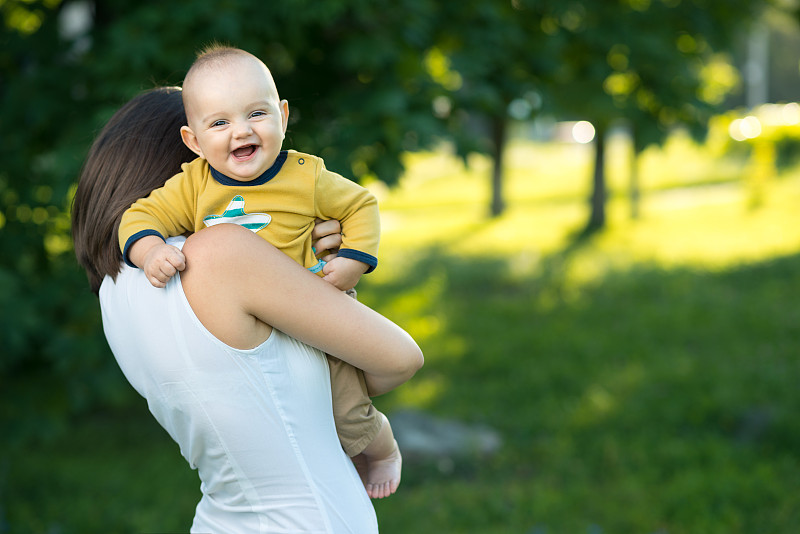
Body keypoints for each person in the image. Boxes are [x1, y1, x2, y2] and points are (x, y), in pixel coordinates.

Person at [71, 86, 423, 532]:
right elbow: (398, 359)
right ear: (189, 155)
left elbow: (265, 379)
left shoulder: (115, 289)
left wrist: (296, 257)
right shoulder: (223, 252)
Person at [117, 46, 401, 499]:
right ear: (193, 141)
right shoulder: (194, 185)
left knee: (348, 411)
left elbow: (360, 206)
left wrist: (353, 260)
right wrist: (151, 250)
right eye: (220, 123)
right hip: (252, 319)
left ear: (283, 116)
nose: (242, 131)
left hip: (312, 304)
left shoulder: (306, 176)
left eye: (256, 113)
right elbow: (138, 216)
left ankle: (382, 449)